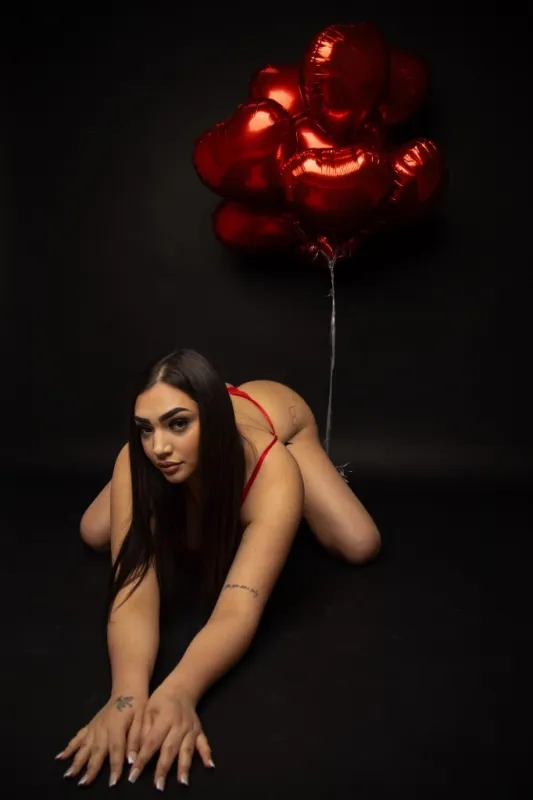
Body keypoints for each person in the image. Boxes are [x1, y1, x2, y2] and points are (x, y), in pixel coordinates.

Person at [56, 348, 380, 790]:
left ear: (209, 417)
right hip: (212, 425)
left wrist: (179, 692)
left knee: (360, 543)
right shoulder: (141, 456)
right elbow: (133, 587)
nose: (158, 447)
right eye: (145, 429)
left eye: (177, 424)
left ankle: (287, 473)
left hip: (274, 417)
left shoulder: (270, 466)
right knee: (93, 531)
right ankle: (164, 450)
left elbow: (237, 610)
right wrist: (125, 695)